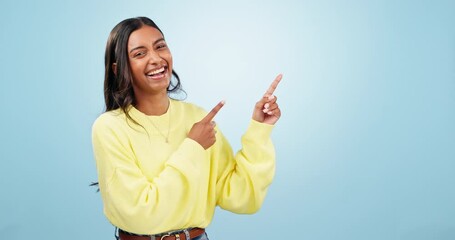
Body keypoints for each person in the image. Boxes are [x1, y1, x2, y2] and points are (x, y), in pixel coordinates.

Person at [91, 16, 282, 240]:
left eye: (160, 46)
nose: (155, 58)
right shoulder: (110, 127)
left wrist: (259, 129)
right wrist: (192, 147)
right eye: (139, 54)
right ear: (118, 68)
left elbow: (241, 195)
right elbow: (141, 214)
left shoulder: (196, 118)